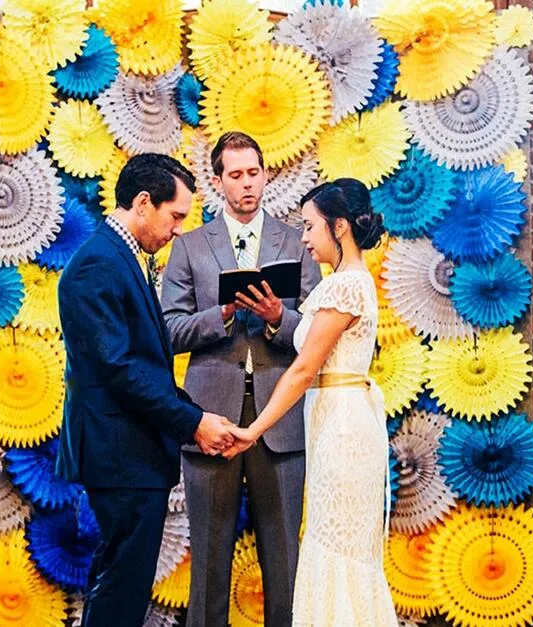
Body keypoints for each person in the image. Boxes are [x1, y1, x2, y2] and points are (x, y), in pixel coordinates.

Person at [55, 154, 236, 627]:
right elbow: (120, 370)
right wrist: (193, 422)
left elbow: (143, 367)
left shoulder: (117, 258)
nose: (178, 230)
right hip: (120, 456)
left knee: (120, 581)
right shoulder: (98, 264)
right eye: (175, 216)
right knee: (122, 587)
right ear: (142, 203)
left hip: (129, 455)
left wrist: (194, 416)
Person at [161, 132, 321, 627]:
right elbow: (169, 330)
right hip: (211, 420)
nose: (247, 183)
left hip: (281, 421)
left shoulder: (299, 242)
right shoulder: (188, 246)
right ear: (217, 182)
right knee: (209, 557)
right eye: (235, 175)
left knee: (284, 559)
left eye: (254, 172)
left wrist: (278, 318)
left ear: (266, 174)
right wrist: (224, 313)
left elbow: (319, 330)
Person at [224, 178, 398, 626]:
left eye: (309, 227)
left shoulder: (346, 286)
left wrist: (253, 430)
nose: (303, 238)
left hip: (342, 426)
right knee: (331, 539)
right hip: (334, 419)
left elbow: (303, 370)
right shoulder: (346, 281)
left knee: (337, 544)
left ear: (339, 227)